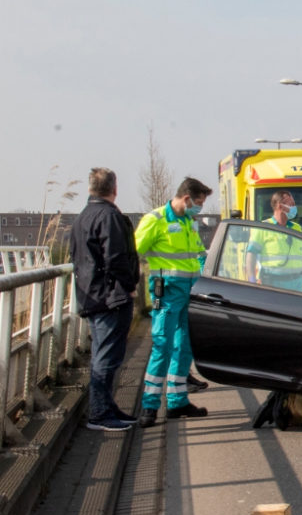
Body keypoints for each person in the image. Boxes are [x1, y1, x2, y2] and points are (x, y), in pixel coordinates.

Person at [135, 178, 212, 427]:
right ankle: (149, 406)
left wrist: (205, 282)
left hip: (189, 293)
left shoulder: (189, 222)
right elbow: (134, 251)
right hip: (165, 293)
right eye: (198, 202)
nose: (199, 208)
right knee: (162, 345)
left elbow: (199, 255)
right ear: (187, 198)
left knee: (184, 346)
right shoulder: (155, 220)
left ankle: (177, 403)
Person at [69, 168, 140, 431]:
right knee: (107, 358)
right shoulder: (109, 216)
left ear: (90, 189)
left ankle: (107, 408)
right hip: (111, 297)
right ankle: (99, 413)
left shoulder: (81, 218)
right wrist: (130, 284)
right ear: (115, 189)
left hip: (90, 295)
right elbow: (115, 258)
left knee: (102, 353)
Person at [245, 191, 302, 292]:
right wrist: (252, 279)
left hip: (297, 283)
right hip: (274, 285)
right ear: (280, 206)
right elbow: (251, 255)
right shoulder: (263, 228)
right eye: (291, 204)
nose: (294, 207)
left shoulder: (297, 228)